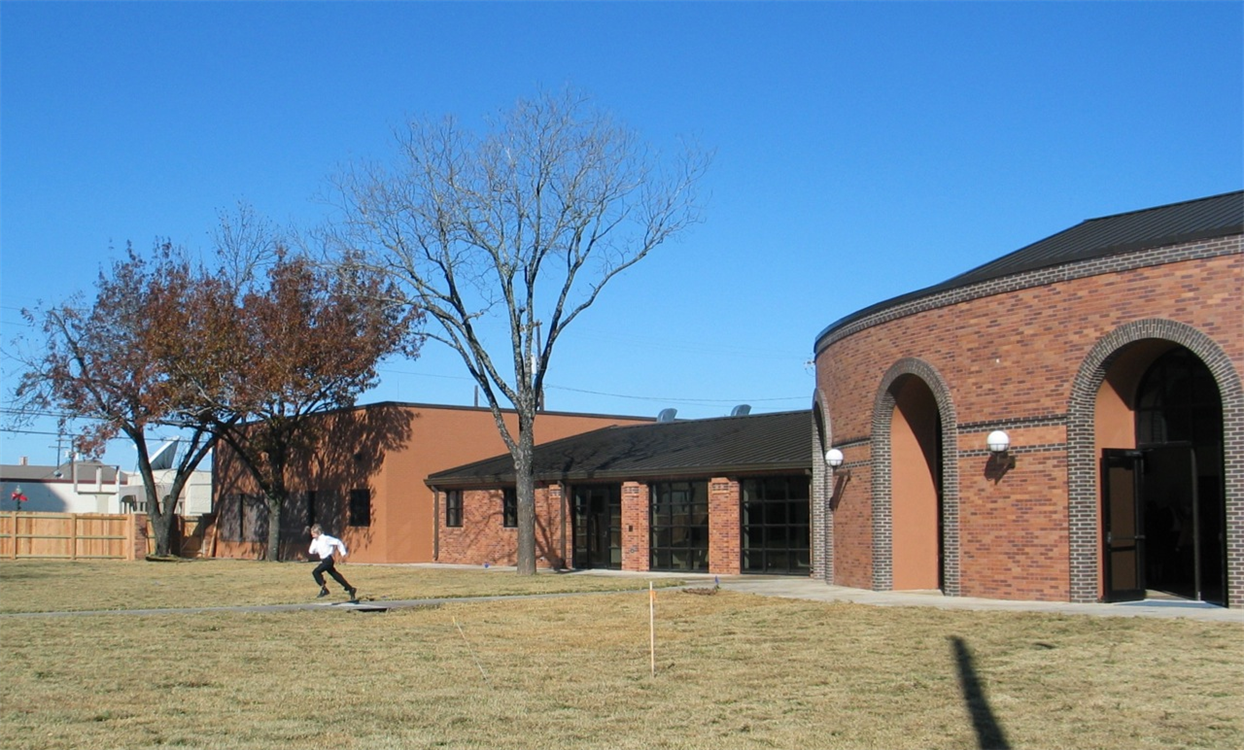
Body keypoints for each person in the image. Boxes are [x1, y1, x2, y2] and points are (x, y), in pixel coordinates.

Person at [308, 524, 357, 600]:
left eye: (313, 533)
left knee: (316, 572)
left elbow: (338, 542)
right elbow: (311, 551)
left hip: (328, 560)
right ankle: (351, 589)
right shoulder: (315, 541)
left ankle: (324, 589)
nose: (312, 535)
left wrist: (343, 552)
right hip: (324, 560)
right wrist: (315, 549)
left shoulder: (326, 539)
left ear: (318, 532)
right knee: (336, 576)